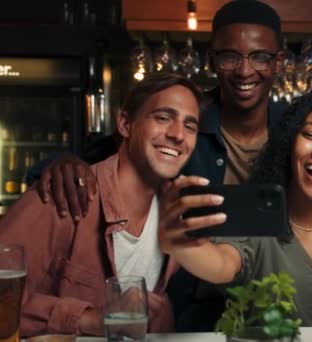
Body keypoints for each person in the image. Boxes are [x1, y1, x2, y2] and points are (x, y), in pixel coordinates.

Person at [29, 0, 287, 331]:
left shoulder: (296, 128)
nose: (244, 70)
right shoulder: (186, 121)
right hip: (192, 311)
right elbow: (107, 154)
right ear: (212, 61)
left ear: (278, 62)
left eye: (260, 56)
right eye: (229, 56)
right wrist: (63, 163)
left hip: (273, 301)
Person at [158, 85, 312, 326]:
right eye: (310, 135)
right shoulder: (257, 219)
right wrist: (180, 245)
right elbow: (221, 264)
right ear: (290, 143)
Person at [0, 73, 203, 336]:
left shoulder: (175, 214)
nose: (178, 135)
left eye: (190, 126)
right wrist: (92, 319)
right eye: (163, 117)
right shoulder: (66, 195)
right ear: (125, 124)